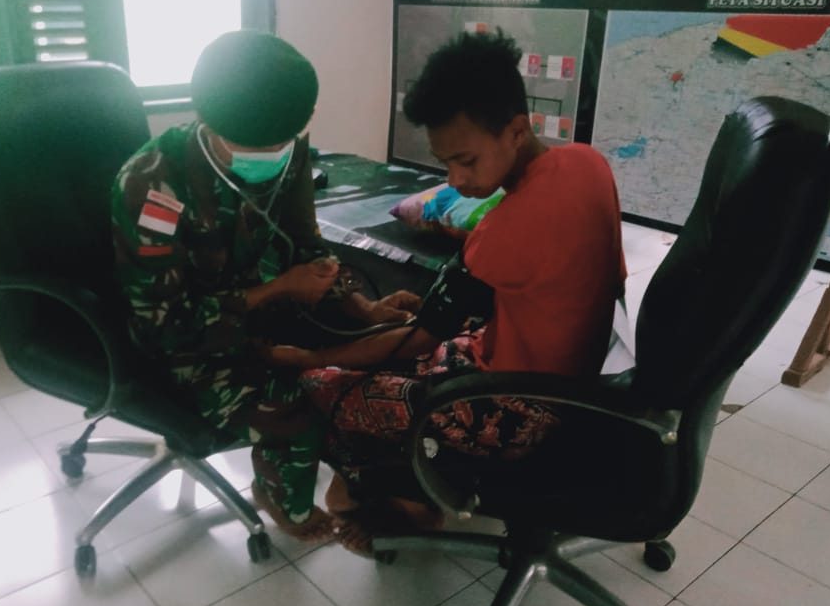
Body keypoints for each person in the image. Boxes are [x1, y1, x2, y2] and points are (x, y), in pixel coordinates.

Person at [266, 29, 627, 554]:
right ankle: (419, 480)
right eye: (445, 163)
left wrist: (307, 358)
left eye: (466, 161)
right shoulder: (587, 163)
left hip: (521, 410)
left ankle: (401, 501)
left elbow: (416, 338)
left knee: (324, 387)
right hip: (576, 380)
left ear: (517, 130)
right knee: (404, 358)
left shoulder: (507, 230)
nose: (454, 180)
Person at [109, 30, 419, 541]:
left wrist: (360, 307)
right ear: (207, 121)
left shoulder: (287, 147)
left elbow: (305, 242)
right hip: (190, 342)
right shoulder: (154, 188)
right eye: (256, 147)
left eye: (283, 142)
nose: (274, 154)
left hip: (263, 308)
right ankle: (280, 497)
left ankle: (374, 492)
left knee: (387, 356)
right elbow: (163, 323)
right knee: (300, 408)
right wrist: (277, 292)